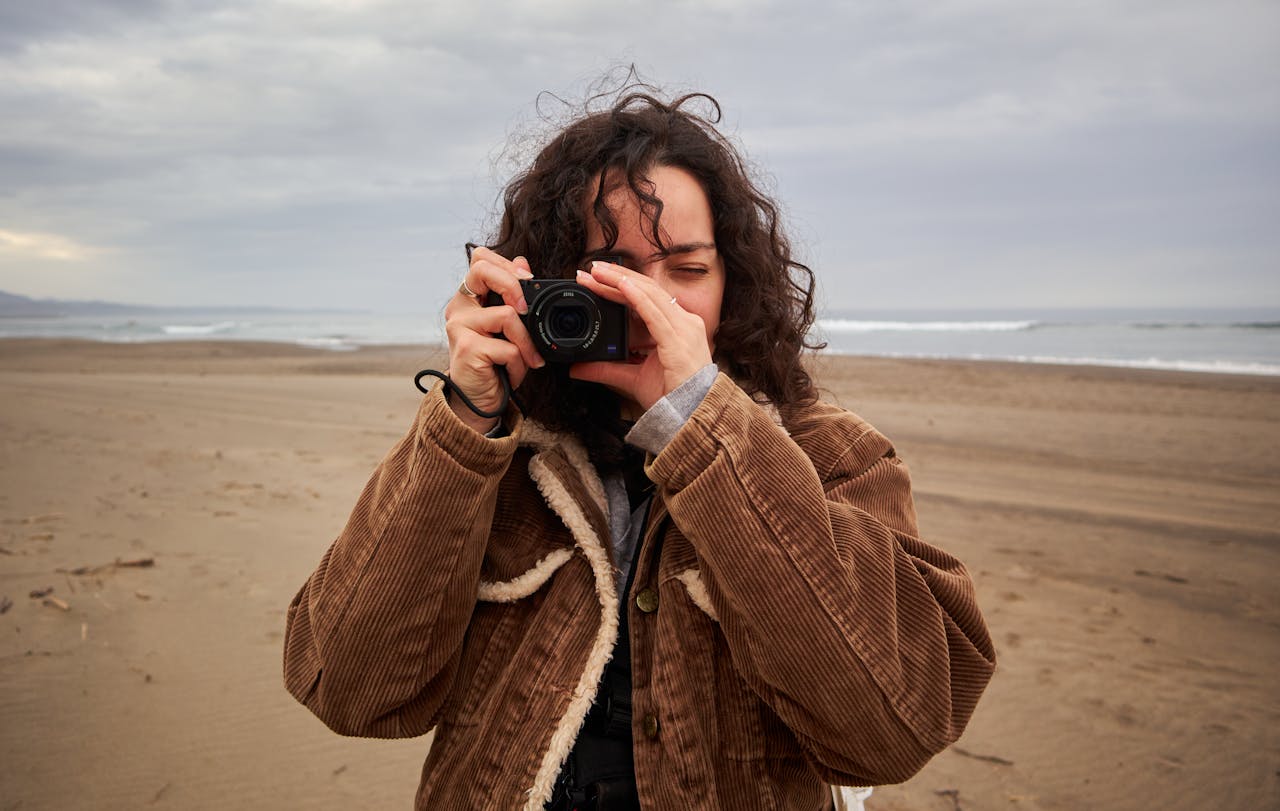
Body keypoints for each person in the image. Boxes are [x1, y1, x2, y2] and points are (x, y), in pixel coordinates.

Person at [283, 82, 995, 811]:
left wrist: (699, 423)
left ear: (736, 286)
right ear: (549, 282)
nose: (654, 303)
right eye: (612, 272)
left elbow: (896, 727)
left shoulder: (830, 456)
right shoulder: (501, 455)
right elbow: (350, 689)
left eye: (687, 270)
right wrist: (466, 420)